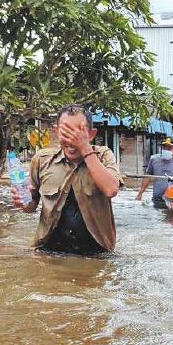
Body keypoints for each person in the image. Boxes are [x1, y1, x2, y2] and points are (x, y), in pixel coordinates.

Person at [12, 104, 121, 255]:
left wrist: (85, 149)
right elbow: (31, 206)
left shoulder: (103, 156)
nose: (72, 139)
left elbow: (111, 189)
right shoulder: (42, 160)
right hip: (49, 251)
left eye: (78, 132)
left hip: (96, 253)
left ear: (91, 134)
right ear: (56, 131)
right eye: (65, 131)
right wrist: (23, 201)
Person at [136, 138, 173, 208]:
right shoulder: (154, 159)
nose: (165, 150)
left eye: (169, 149)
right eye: (164, 148)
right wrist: (140, 194)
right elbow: (147, 177)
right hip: (157, 199)